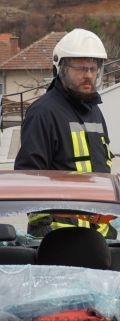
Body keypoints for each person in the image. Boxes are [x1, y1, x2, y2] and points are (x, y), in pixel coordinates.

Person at [14, 29, 114, 236]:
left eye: (93, 68)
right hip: (59, 237)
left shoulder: (95, 111)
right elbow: (29, 176)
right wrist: (43, 229)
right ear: (61, 69)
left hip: (98, 236)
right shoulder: (43, 113)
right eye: (81, 68)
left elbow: (102, 168)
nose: (88, 75)